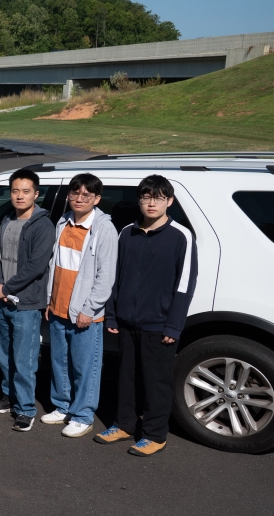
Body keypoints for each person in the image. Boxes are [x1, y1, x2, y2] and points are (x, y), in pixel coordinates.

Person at [96, 175, 198, 457]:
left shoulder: (181, 236)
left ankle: (155, 435)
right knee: (125, 378)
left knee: (156, 382)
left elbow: (185, 284)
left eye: (159, 197)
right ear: (139, 200)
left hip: (159, 324)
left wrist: (174, 325)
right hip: (126, 321)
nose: (151, 203)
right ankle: (124, 424)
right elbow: (117, 277)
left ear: (170, 201)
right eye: (146, 197)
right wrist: (112, 315)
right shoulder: (126, 232)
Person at [42, 174, 118, 438]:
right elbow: (55, 264)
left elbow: (105, 276)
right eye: (75, 193)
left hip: (85, 312)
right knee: (59, 361)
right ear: (69, 195)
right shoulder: (63, 220)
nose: (79, 198)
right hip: (58, 306)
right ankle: (62, 406)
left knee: (85, 366)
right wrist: (50, 299)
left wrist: (90, 308)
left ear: (97, 199)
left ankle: (83, 415)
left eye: (87, 195)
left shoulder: (104, 229)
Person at [0, 169, 56, 432]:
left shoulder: (42, 225)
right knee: (4, 355)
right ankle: (8, 397)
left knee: (24, 358)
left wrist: (8, 287)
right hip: (5, 301)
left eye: (26, 191)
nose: (20, 195)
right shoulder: (6, 220)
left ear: (36, 194)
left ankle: (26, 409)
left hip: (26, 303)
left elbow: (36, 266)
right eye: (15, 190)